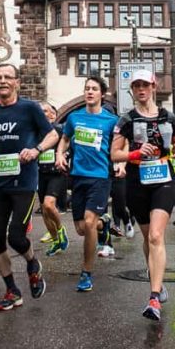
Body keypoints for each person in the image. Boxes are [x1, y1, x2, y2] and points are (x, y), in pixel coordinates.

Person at [0, 64, 56, 312]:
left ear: (17, 82)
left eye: (8, 77)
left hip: (24, 183)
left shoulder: (29, 108)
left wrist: (36, 150)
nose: (3, 81)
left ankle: (32, 263)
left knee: (16, 236)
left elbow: (51, 136)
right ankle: (12, 290)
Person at [111, 69, 175, 321]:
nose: (141, 90)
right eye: (136, 86)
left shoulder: (168, 116)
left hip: (164, 178)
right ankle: (158, 281)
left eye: (145, 85)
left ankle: (154, 298)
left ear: (154, 87)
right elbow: (114, 154)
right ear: (132, 91)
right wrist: (134, 154)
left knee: (155, 235)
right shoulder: (126, 120)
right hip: (137, 181)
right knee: (147, 238)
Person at [55, 76, 118, 292]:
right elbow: (64, 139)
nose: (89, 92)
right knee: (82, 229)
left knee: (89, 223)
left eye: (94, 89)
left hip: (100, 177)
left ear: (102, 94)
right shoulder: (74, 117)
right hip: (78, 176)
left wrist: (120, 163)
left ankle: (86, 273)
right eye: (87, 88)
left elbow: (120, 143)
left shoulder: (111, 121)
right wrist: (59, 155)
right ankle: (105, 225)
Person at [36, 101, 69, 256]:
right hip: (41, 173)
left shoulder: (60, 129)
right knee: (44, 210)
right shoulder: (36, 131)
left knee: (49, 205)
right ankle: (56, 240)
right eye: (39, 111)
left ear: (52, 114)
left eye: (44, 111)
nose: (41, 114)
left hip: (57, 173)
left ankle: (61, 229)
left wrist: (62, 155)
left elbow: (70, 144)